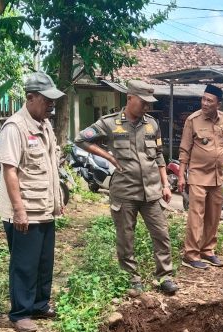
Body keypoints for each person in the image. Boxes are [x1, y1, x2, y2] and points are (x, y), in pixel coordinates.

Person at [74, 80, 178, 295]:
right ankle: (132, 278)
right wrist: (109, 156)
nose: (147, 107)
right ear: (130, 98)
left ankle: (164, 276)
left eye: (149, 103)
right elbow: (80, 139)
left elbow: (159, 155)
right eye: (143, 102)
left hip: (151, 192)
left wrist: (166, 184)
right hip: (125, 191)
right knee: (126, 236)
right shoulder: (110, 123)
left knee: (161, 234)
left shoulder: (152, 124)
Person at [0, 72, 65, 332]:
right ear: (30, 98)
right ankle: (20, 313)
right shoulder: (15, 128)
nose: (51, 105)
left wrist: (57, 201)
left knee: (44, 261)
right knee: (24, 264)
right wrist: (19, 210)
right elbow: (10, 170)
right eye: (47, 101)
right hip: (25, 210)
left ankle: (39, 303)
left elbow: (49, 167)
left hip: (44, 208)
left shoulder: (44, 125)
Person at [177, 84, 223, 270]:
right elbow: (185, 149)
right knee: (196, 216)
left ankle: (207, 251)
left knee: (214, 215)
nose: (205, 103)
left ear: (218, 104)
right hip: (198, 174)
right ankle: (191, 255)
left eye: (209, 100)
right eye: (203, 99)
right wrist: (182, 175)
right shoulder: (193, 120)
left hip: (217, 175)